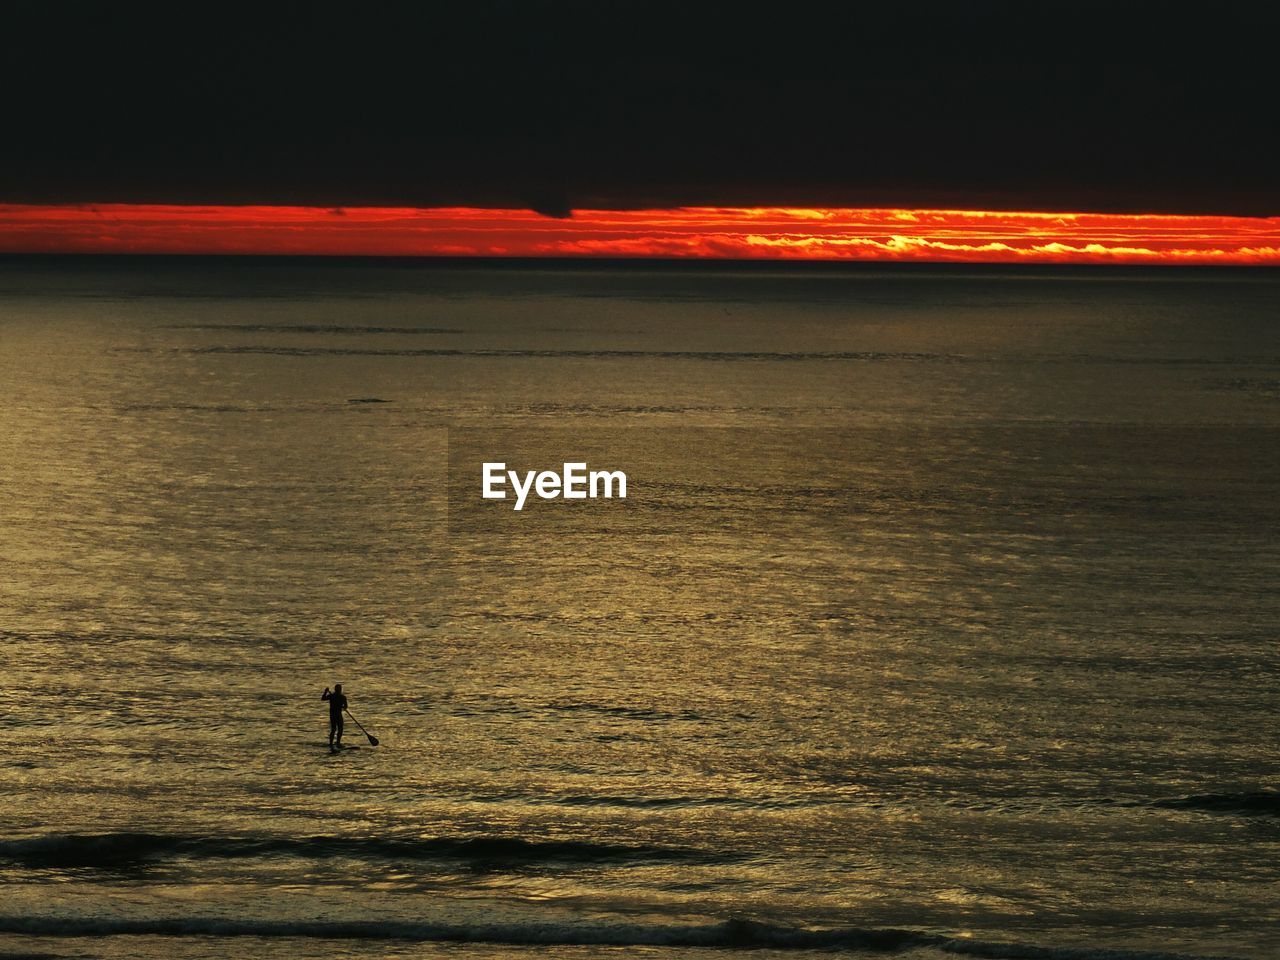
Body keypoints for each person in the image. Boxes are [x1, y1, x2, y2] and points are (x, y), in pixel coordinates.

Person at [322, 684, 348, 749]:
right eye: (339, 689)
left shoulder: (341, 697)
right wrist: (325, 692)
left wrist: (343, 707)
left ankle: (337, 742)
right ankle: (332, 743)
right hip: (334, 715)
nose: (339, 690)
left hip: (337, 714)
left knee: (340, 729)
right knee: (334, 729)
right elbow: (323, 699)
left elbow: (346, 706)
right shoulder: (332, 696)